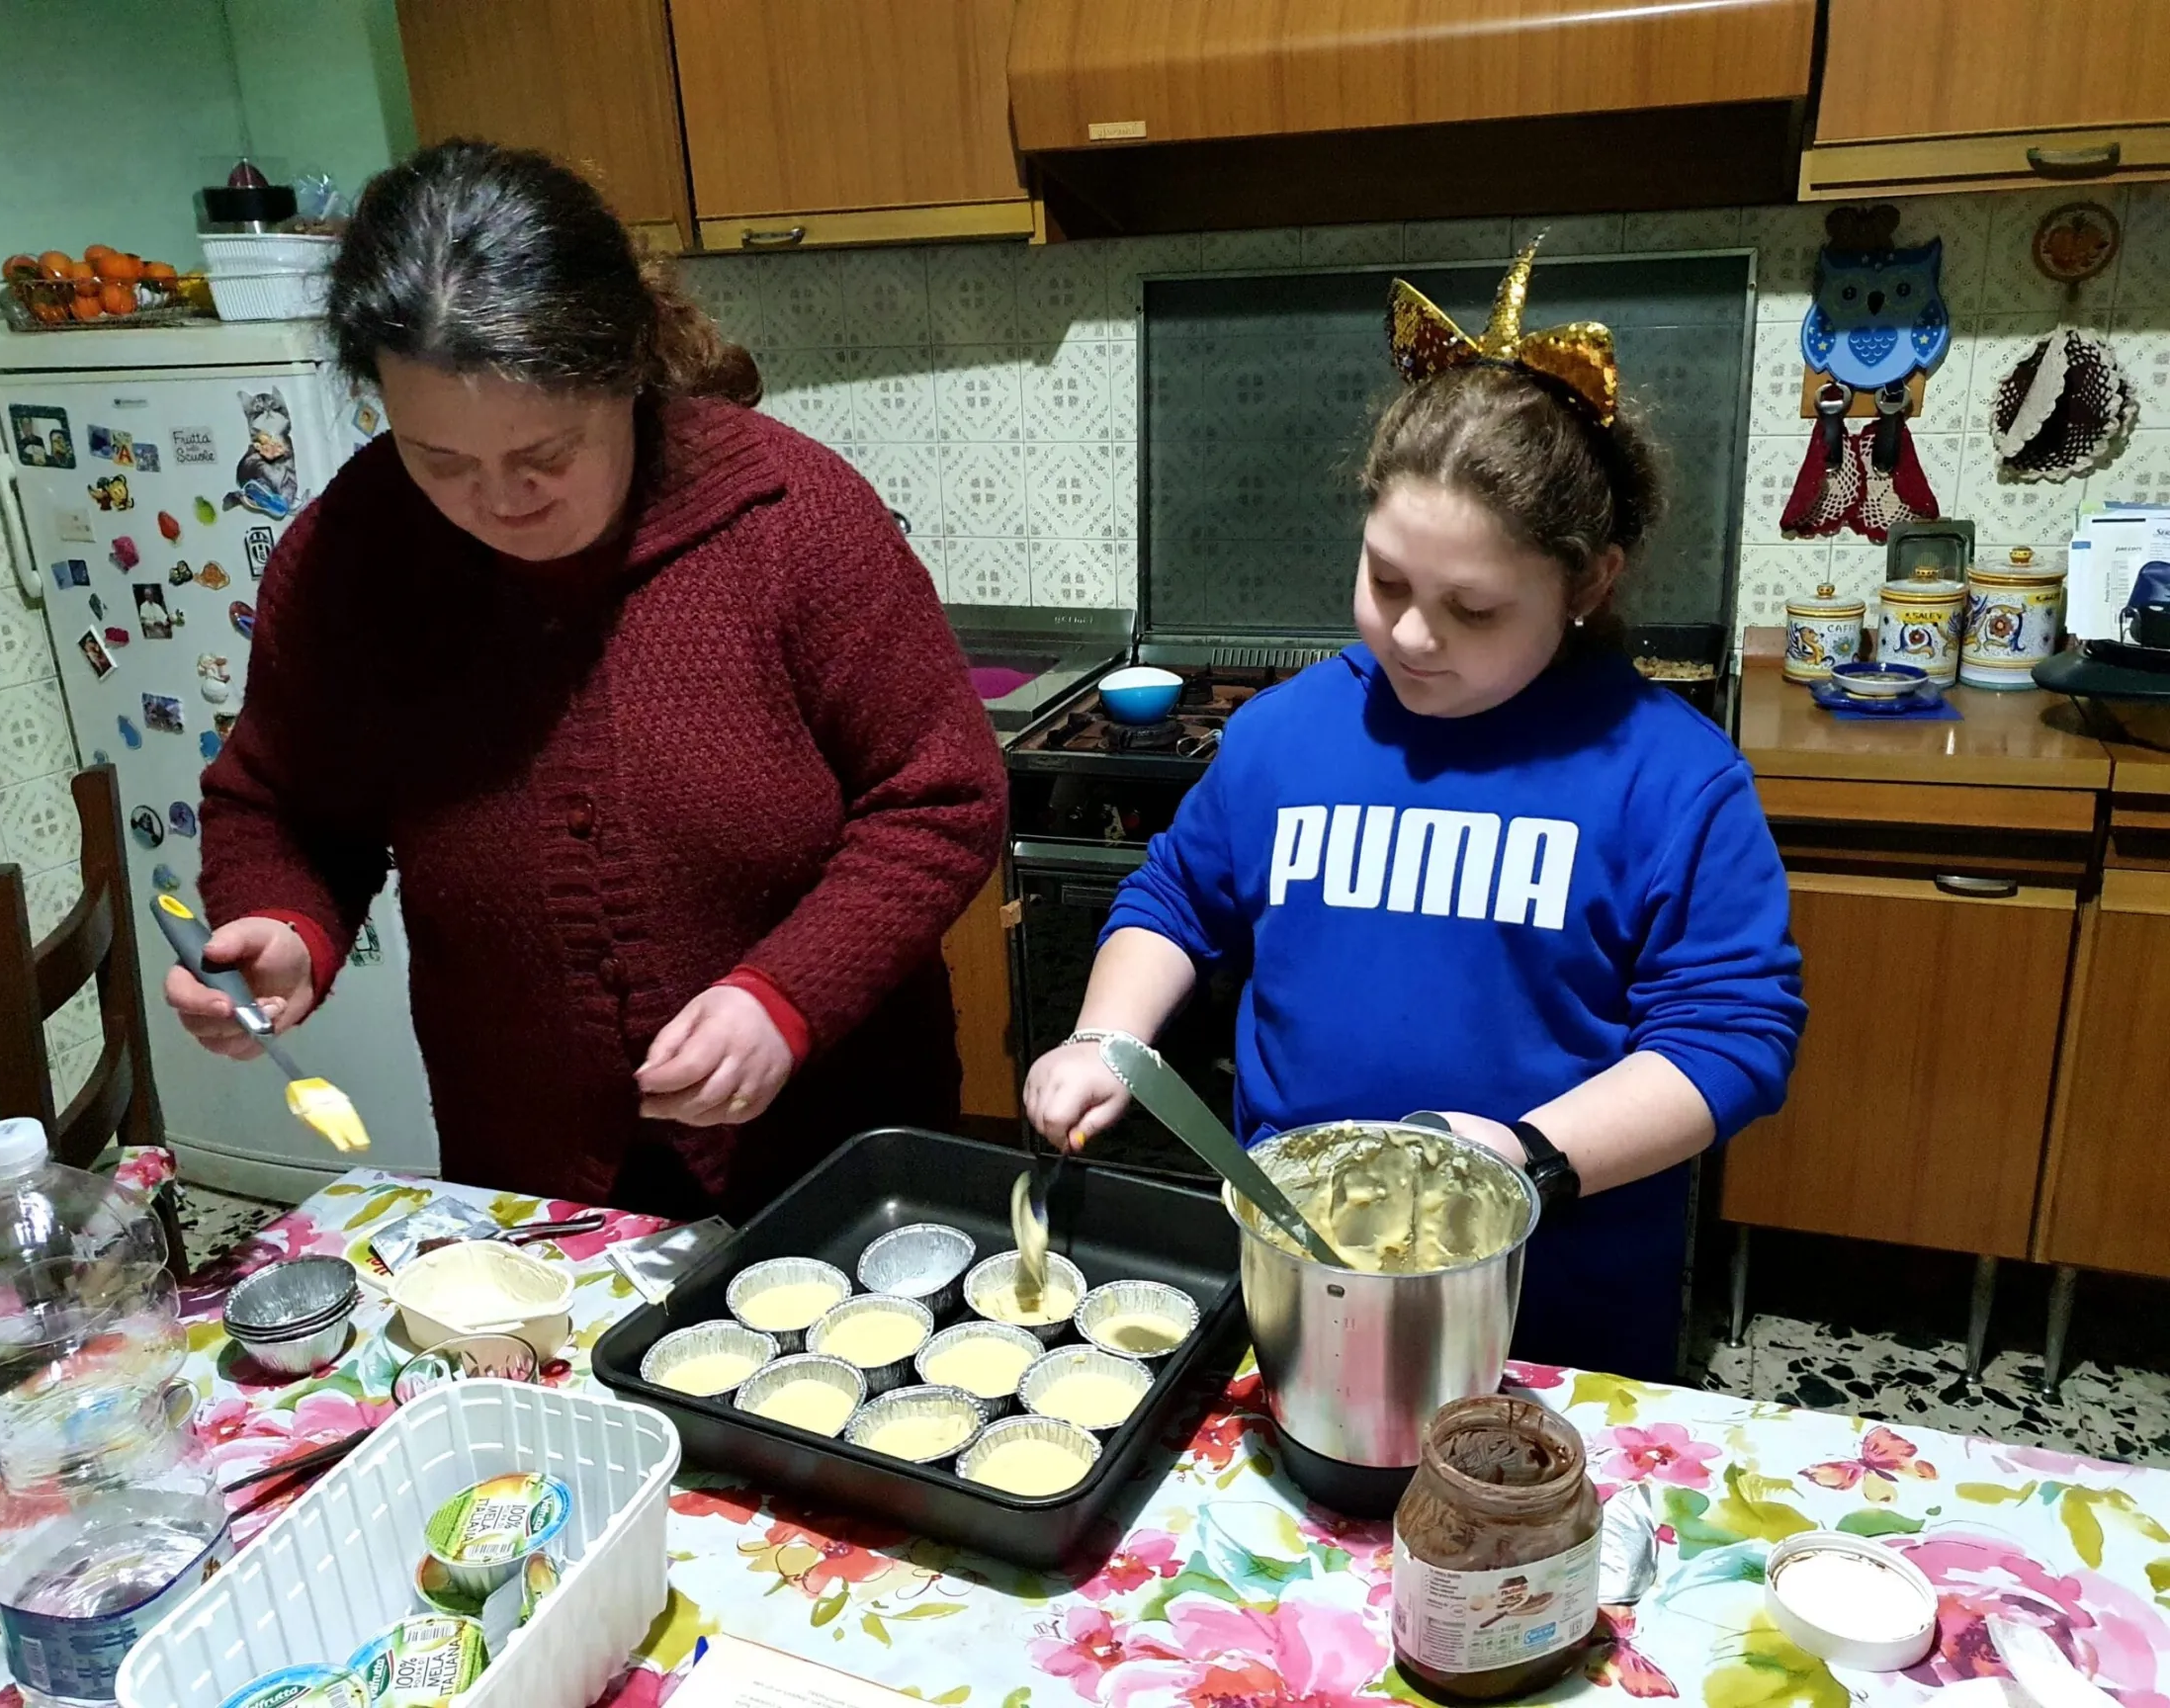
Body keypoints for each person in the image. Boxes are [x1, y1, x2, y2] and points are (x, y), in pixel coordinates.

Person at [166, 142, 1005, 1217]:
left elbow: (940, 801)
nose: (496, 499)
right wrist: (286, 924)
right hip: (528, 1161)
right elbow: (279, 802)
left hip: (832, 1147)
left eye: (545, 454)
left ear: (628, 373)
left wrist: (785, 998)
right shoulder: (351, 555)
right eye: (441, 460)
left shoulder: (792, 517)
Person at [1022, 247, 1804, 1380]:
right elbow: (1176, 899)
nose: (1414, 637)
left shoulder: (1670, 780)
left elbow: (1732, 1039)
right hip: (1294, 1278)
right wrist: (1109, 1035)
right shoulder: (1288, 735)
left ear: (1587, 585)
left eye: (1474, 608)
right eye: (1386, 581)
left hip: (1556, 1306)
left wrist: (1524, 1157)